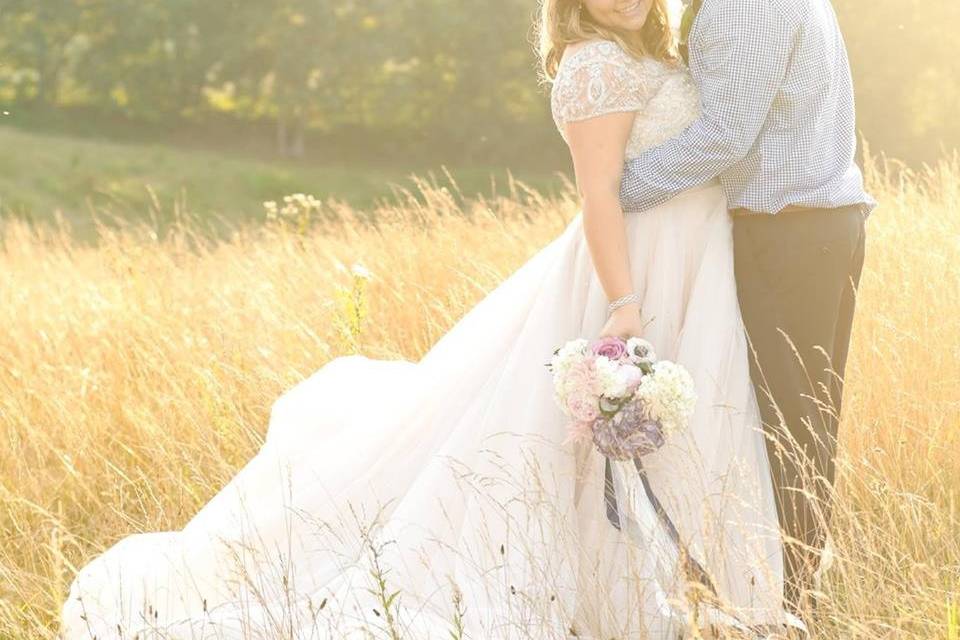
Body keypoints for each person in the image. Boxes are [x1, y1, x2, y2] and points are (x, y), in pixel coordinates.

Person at [60, 0, 812, 637]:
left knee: (656, 439)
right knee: (561, 445)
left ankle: (666, 599)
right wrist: (622, 302)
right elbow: (598, 195)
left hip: (693, 265)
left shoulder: (651, 54)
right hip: (636, 270)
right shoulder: (596, 65)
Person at [618, 0, 874, 626]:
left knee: (785, 426)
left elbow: (727, 135)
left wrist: (619, 188)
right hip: (814, 226)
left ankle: (787, 603)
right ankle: (794, 596)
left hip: (787, 233)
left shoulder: (746, 4)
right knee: (803, 421)